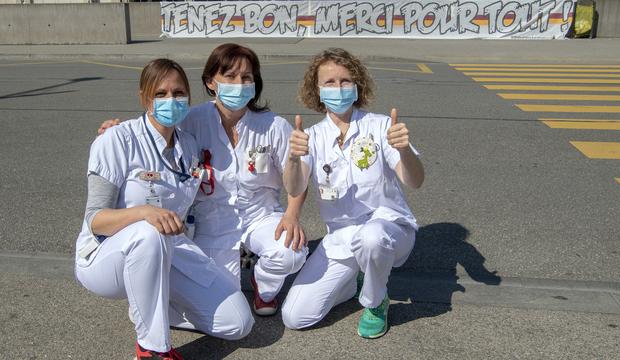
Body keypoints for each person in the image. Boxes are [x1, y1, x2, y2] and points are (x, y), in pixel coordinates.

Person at [99, 43, 308, 317]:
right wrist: (115, 130)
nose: (239, 84)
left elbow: (297, 182)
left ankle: (264, 285)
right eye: (230, 77)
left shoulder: (273, 126)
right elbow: (153, 130)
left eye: (246, 78)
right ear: (211, 82)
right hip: (212, 221)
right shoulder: (192, 120)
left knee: (289, 253)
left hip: (261, 214)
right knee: (224, 304)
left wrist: (292, 215)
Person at [75, 59, 253, 360]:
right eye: (161, 94)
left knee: (238, 323)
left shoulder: (190, 146)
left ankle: (151, 306)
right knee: (147, 234)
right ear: (145, 97)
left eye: (179, 93)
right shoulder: (118, 139)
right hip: (108, 256)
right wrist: (144, 212)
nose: (171, 100)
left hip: (171, 250)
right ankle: (152, 348)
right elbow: (96, 220)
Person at [281, 48, 424, 339]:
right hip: (341, 239)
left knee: (371, 238)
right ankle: (352, 280)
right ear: (317, 90)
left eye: (346, 80)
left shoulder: (382, 126)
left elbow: (415, 180)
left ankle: (375, 301)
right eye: (330, 82)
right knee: (296, 316)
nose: (339, 88)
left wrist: (404, 150)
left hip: (389, 230)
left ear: (357, 85)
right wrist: (294, 159)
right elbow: (295, 188)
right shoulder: (312, 137)